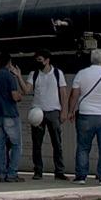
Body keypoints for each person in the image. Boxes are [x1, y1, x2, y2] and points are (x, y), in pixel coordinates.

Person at [65, 49, 101, 186]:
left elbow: (74, 94)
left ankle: (81, 176)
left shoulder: (82, 74)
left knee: (83, 146)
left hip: (86, 114)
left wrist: (71, 111)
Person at [27, 51, 68, 180]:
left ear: (47, 60)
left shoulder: (57, 73)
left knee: (57, 143)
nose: (38, 62)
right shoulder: (34, 74)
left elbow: (63, 93)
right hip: (37, 112)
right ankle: (38, 170)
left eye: (40, 59)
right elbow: (27, 89)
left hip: (53, 111)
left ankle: (59, 170)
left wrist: (64, 111)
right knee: (37, 143)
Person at [0, 52, 25, 182]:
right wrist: (20, 96)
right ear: (9, 62)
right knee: (16, 144)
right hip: (10, 114)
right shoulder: (9, 76)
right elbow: (15, 96)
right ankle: (12, 173)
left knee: (0, 145)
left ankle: (1, 174)